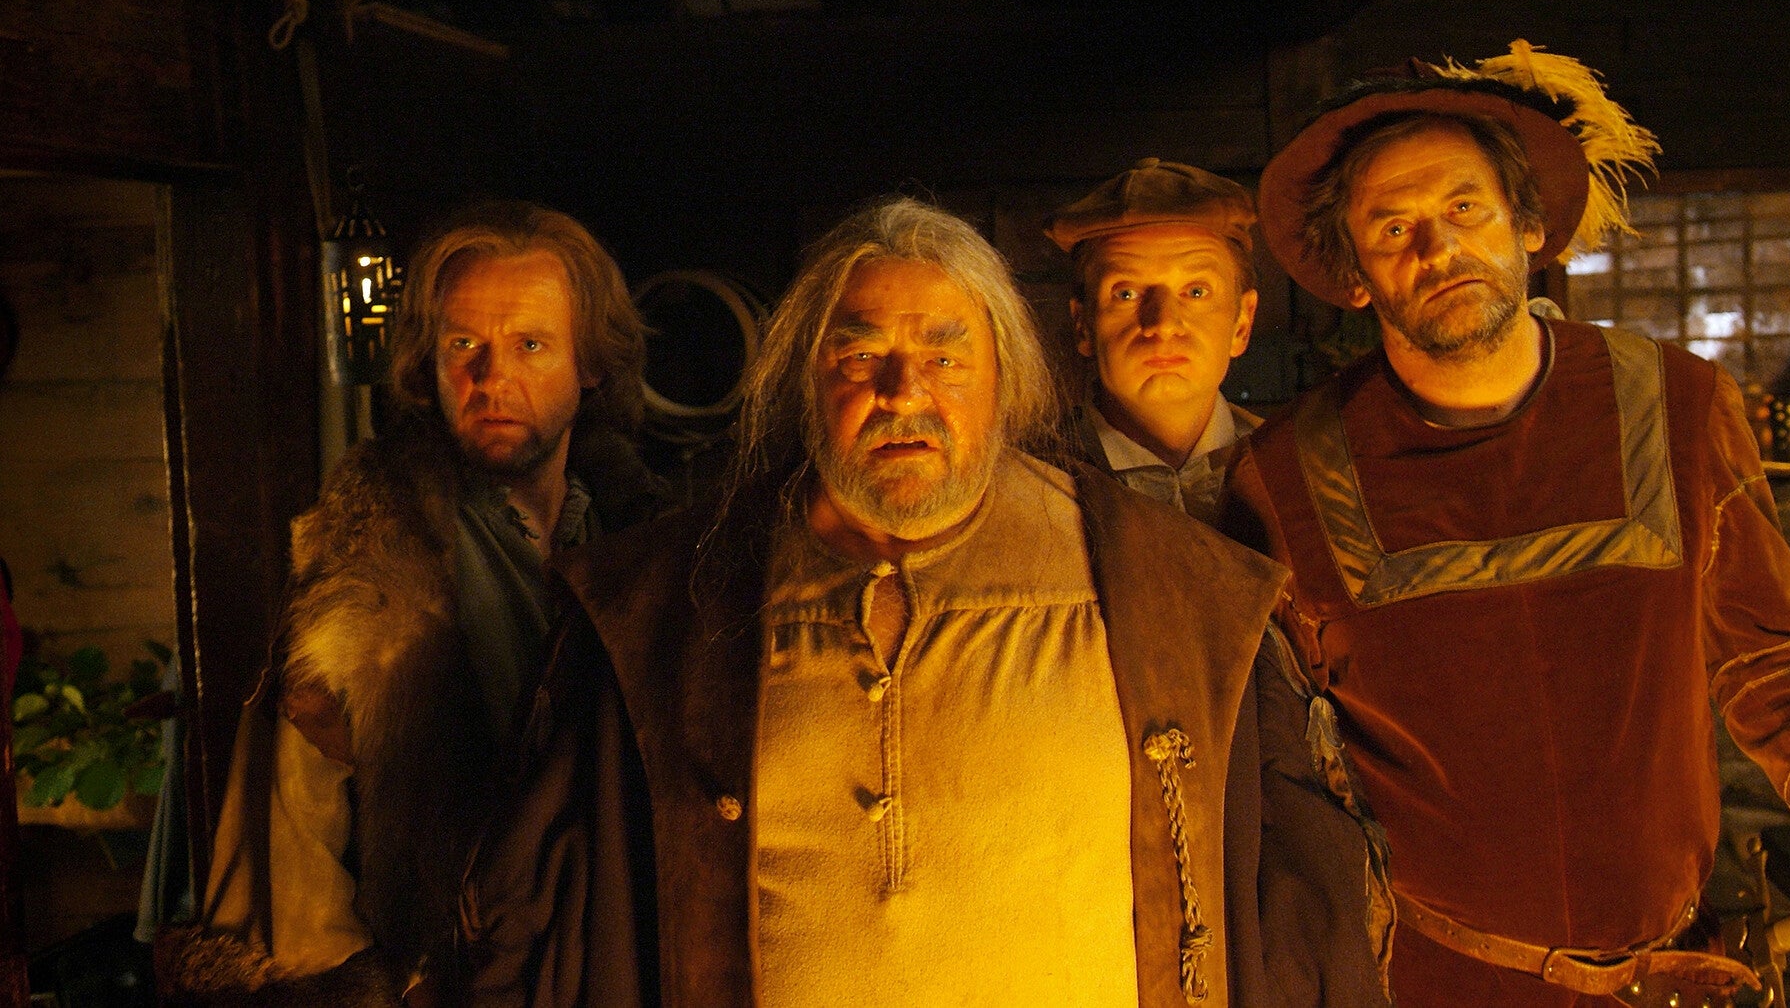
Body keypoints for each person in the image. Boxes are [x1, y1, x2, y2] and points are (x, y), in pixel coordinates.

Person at [462, 197, 1389, 1006]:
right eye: (861, 355)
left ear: (1005, 377)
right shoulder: (665, 609)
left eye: (946, 358)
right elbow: (539, 929)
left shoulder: (1181, 598)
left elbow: (1306, 926)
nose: (903, 394)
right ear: (805, 378)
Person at [1232, 40, 1790, 1007]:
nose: (1438, 249)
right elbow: (1274, 773)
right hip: (1422, 984)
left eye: (1465, 209)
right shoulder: (1285, 475)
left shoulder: (1677, 407)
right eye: (1393, 227)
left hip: (1674, 978)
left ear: (1527, 225)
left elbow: (1778, 670)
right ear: (1353, 271)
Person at [168, 201, 664, 1004]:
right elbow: (292, 859)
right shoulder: (369, 560)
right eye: (464, 345)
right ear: (428, 360)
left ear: (592, 364)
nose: (490, 379)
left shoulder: (648, 544)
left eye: (530, 345)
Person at [1046, 158, 1261, 528]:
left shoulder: (1301, 473)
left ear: (1242, 323)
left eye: (1196, 292)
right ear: (1083, 325)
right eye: (1126, 294)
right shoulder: (1028, 487)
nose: (1162, 324)